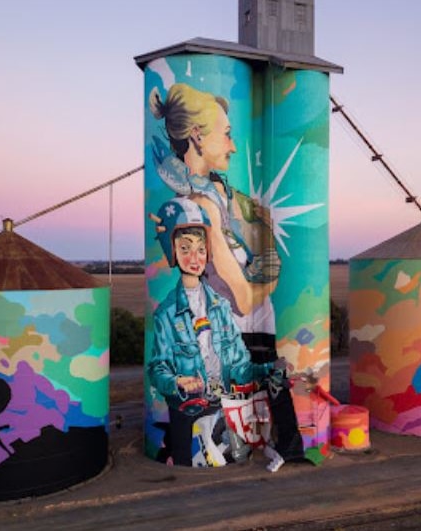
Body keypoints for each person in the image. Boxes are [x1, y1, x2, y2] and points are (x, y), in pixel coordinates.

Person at [149, 82, 304, 461]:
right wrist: (273, 271)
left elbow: (255, 217)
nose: (234, 146)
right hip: (238, 329)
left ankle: (263, 446)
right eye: (228, 135)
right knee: (255, 393)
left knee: (250, 401)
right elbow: (244, 296)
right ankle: (279, 449)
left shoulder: (214, 189)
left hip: (236, 332)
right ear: (198, 136)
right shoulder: (201, 205)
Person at [147, 197, 284, 470]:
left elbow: (238, 361)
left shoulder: (221, 306)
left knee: (232, 460)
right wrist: (177, 382)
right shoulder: (165, 313)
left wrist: (267, 369)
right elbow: (157, 368)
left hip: (221, 403)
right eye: (185, 249)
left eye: (200, 249)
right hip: (187, 407)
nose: (194, 258)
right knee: (186, 469)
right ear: (172, 251)